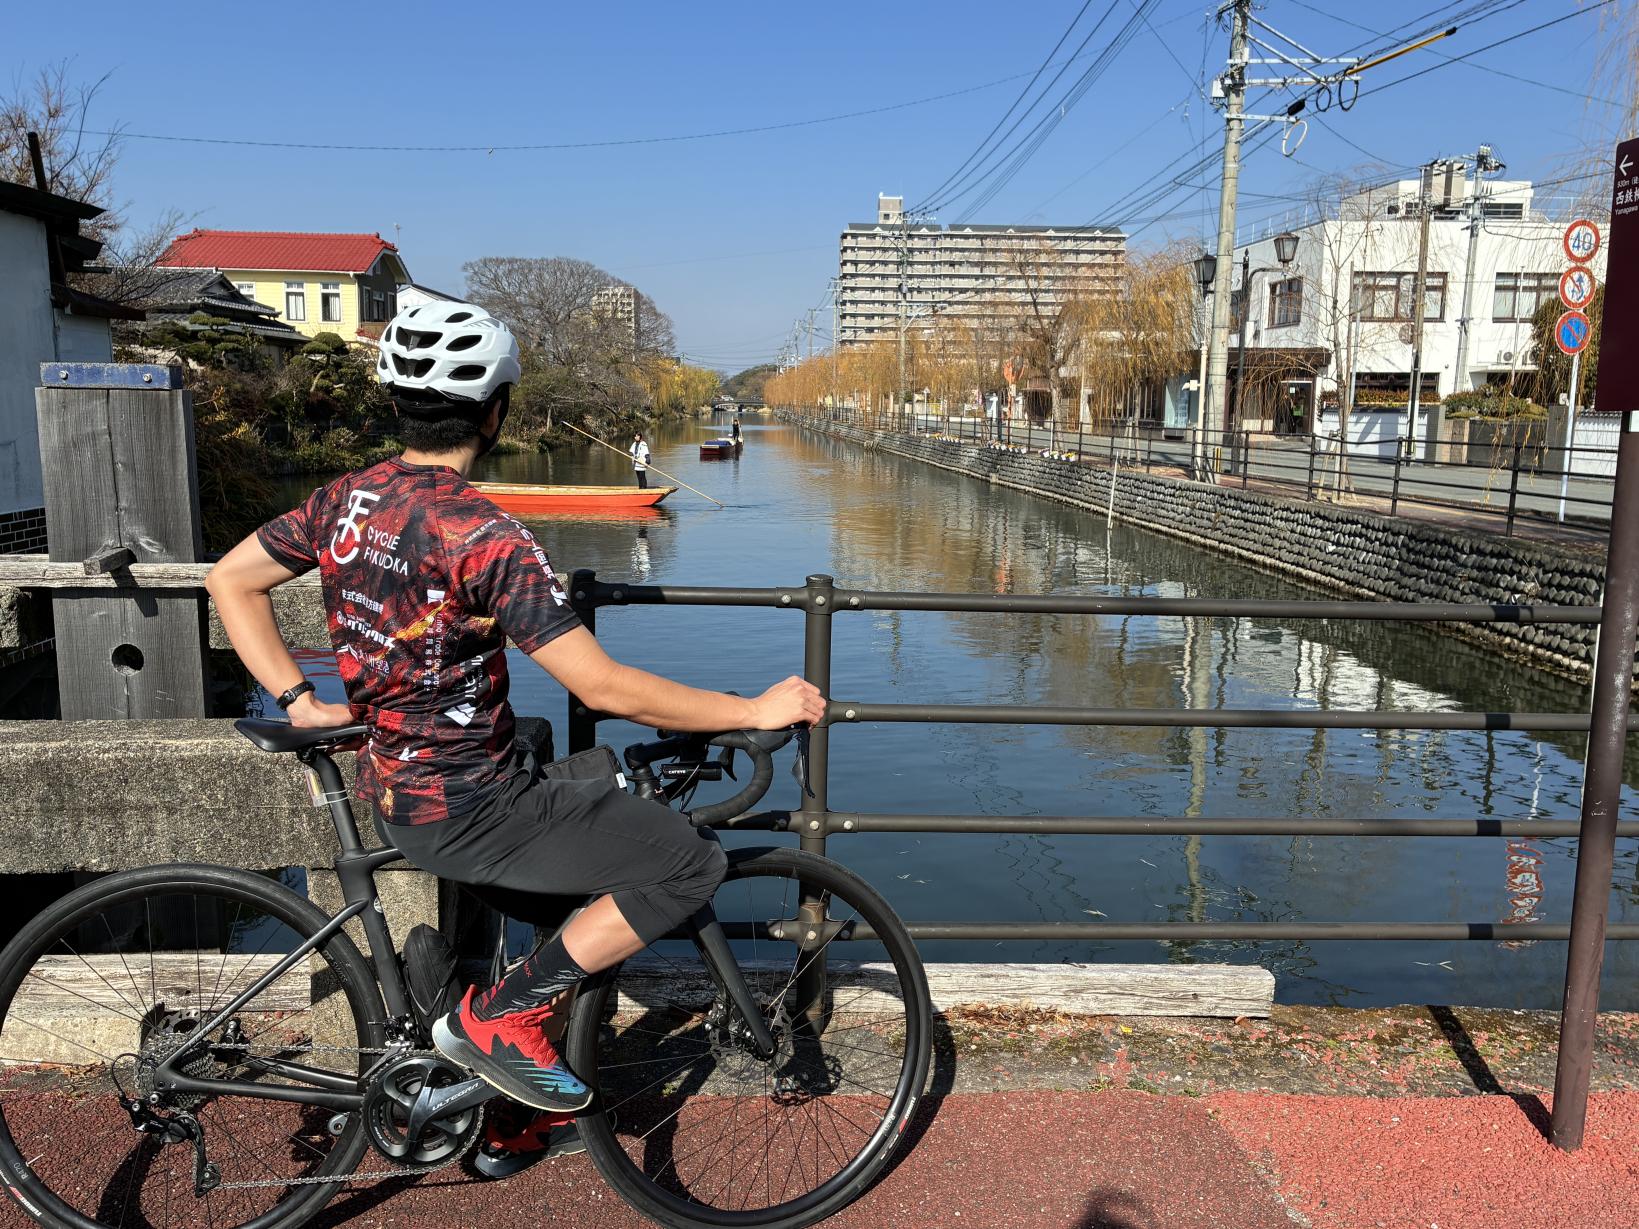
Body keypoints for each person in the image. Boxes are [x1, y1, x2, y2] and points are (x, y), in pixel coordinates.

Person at [206, 300, 823, 1129]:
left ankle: (504, 1115)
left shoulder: (345, 498)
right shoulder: (485, 534)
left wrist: (297, 699)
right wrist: (749, 705)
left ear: (396, 404)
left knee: (597, 787)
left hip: (396, 782)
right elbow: (600, 685)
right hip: (474, 805)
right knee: (686, 864)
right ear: (495, 412)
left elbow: (230, 581)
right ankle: (500, 1021)